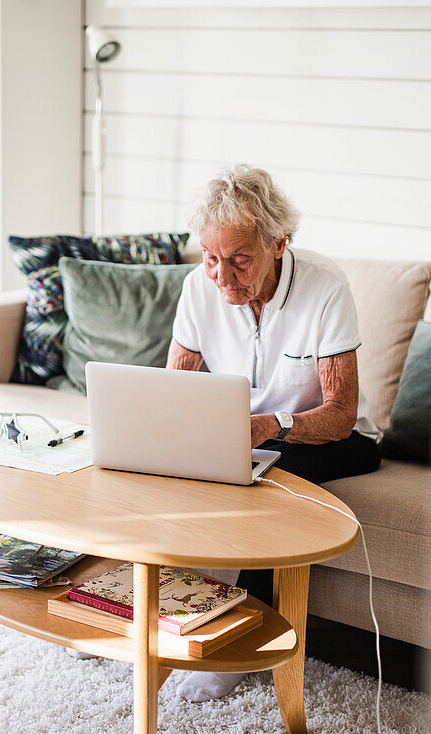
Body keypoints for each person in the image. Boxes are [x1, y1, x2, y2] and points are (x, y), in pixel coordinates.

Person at [167, 164, 381, 702]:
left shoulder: (325, 287)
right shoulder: (199, 289)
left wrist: (273, 424)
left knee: (267, 483)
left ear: (278, 243)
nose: (222, 276)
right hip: (247, 434)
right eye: (211, 257)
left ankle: (238, 644)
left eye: (240, 260)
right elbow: (173, 392)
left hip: (330, 437)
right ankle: (137, 614)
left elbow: (340, 411)